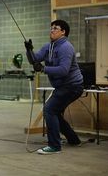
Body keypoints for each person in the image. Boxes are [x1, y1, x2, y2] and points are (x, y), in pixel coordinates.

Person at [24, 19, 84, 155]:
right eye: (51, 28)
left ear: (63, 32)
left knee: (49, 110)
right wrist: (29, 50)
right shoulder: (48, 46)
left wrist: (44, 69)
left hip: (72, 86)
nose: (52, 30)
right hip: (63, 86)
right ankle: (74, 140)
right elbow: (34, 60)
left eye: (55, 28)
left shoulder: (66, 47)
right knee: (55, 112)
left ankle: (55, 146)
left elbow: (63, 70)